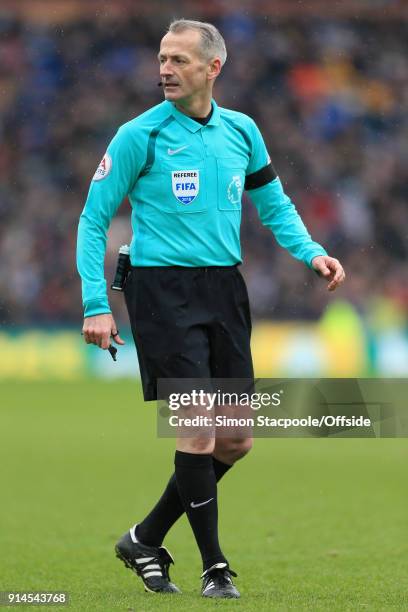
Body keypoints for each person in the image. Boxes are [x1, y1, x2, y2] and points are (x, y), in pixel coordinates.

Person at [76, 18, 345, 600]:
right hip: (161, 293)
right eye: (162, 58)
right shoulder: (138, 135)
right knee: (197, 433)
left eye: (179, 60)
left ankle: (144, 537)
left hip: (224, 289)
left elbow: (275, 204)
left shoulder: (242, 132)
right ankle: (215, 567)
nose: (165, 70)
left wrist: (312, 253)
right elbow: (93, 217)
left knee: (236, 440)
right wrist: (97, 304)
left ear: (212, 68)